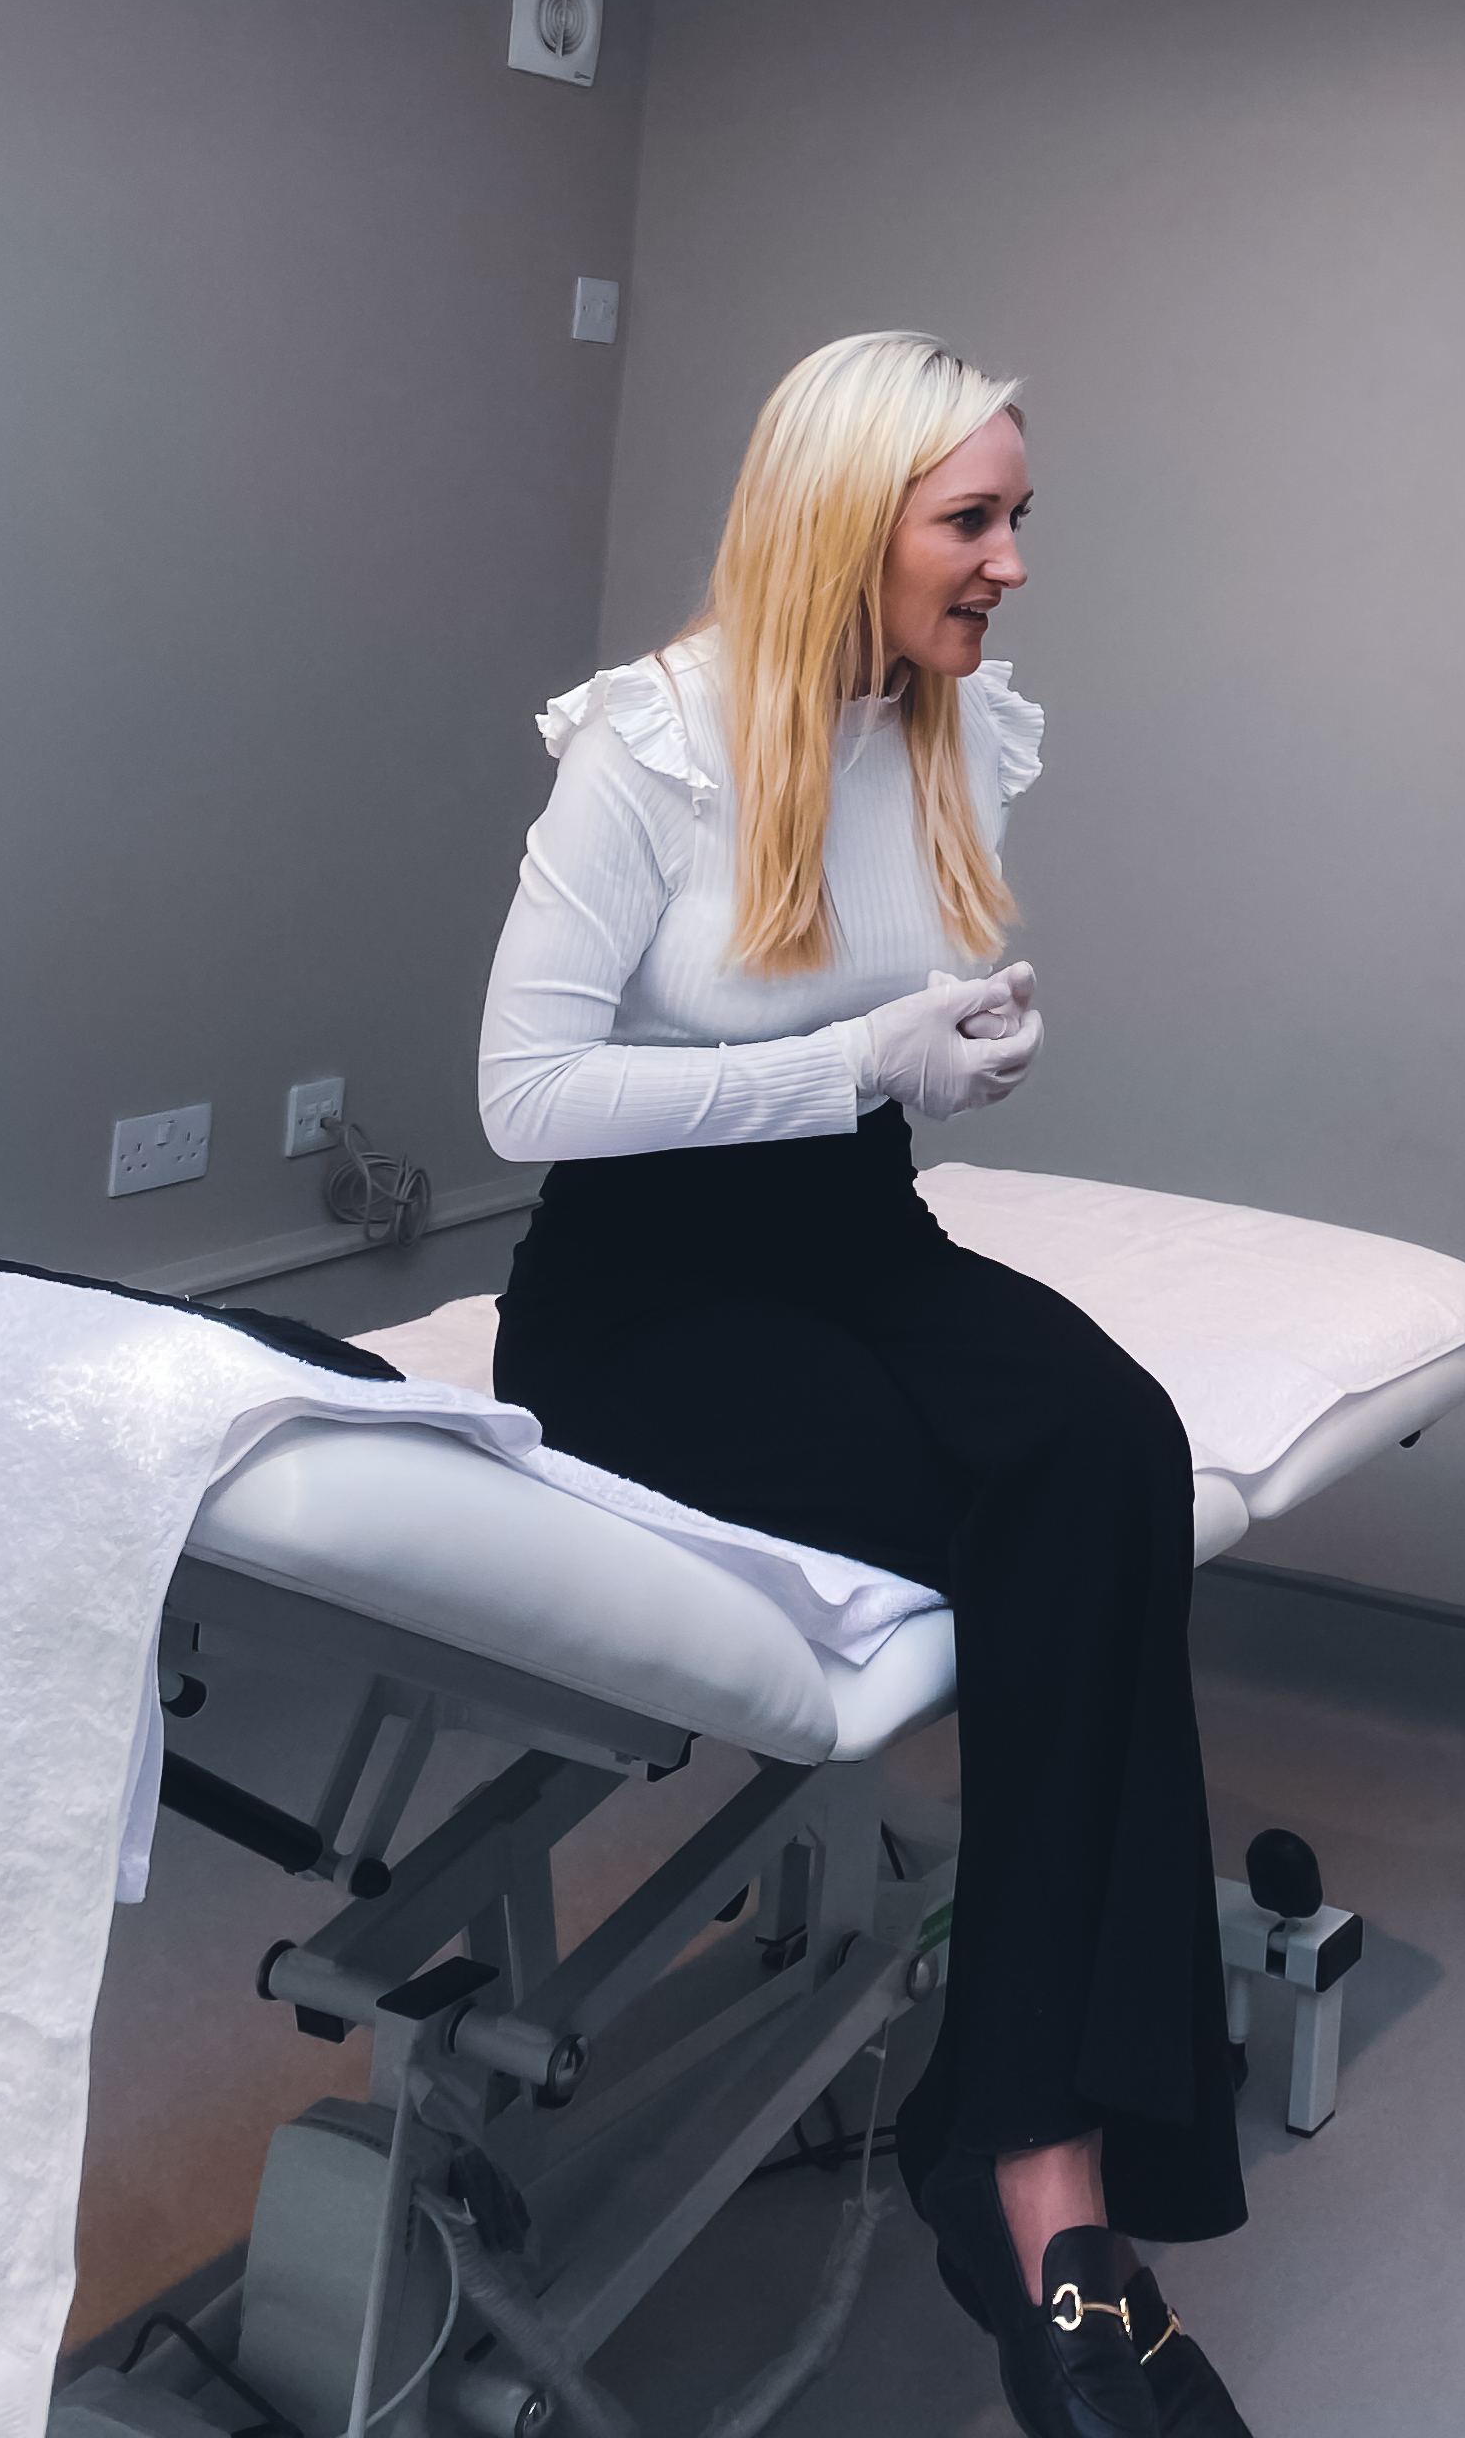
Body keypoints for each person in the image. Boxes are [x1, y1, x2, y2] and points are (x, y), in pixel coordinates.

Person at [478, 332, 1250, 2438]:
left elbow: (884, 1016)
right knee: (1042, 1523)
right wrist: (849, 1065)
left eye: (1019, 518)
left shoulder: (959, 725)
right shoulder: (648, 752)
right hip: (643, 1302)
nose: (1013, 562)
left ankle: (1013, 2146)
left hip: (858, 1240)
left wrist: (952, 1051)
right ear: (846, 522)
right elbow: (523, 1096)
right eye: (971, 521)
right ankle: (1047, 2202)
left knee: (1115, 1450)